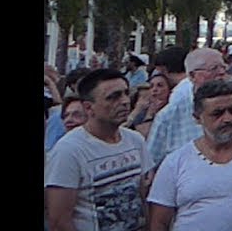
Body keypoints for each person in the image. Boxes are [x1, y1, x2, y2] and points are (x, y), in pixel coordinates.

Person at [146, 79, 232, 231]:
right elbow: (159, 221)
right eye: (217, 113)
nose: (227, 119)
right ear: (197, 118)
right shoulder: (176, 161)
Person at [46, 69, 152, 231]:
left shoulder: (135, 140)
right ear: (89, 108)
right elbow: (59, 221)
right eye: (113, 97)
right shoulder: (69, 151)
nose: (124, 101)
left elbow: (144, 197)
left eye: (125, 93)